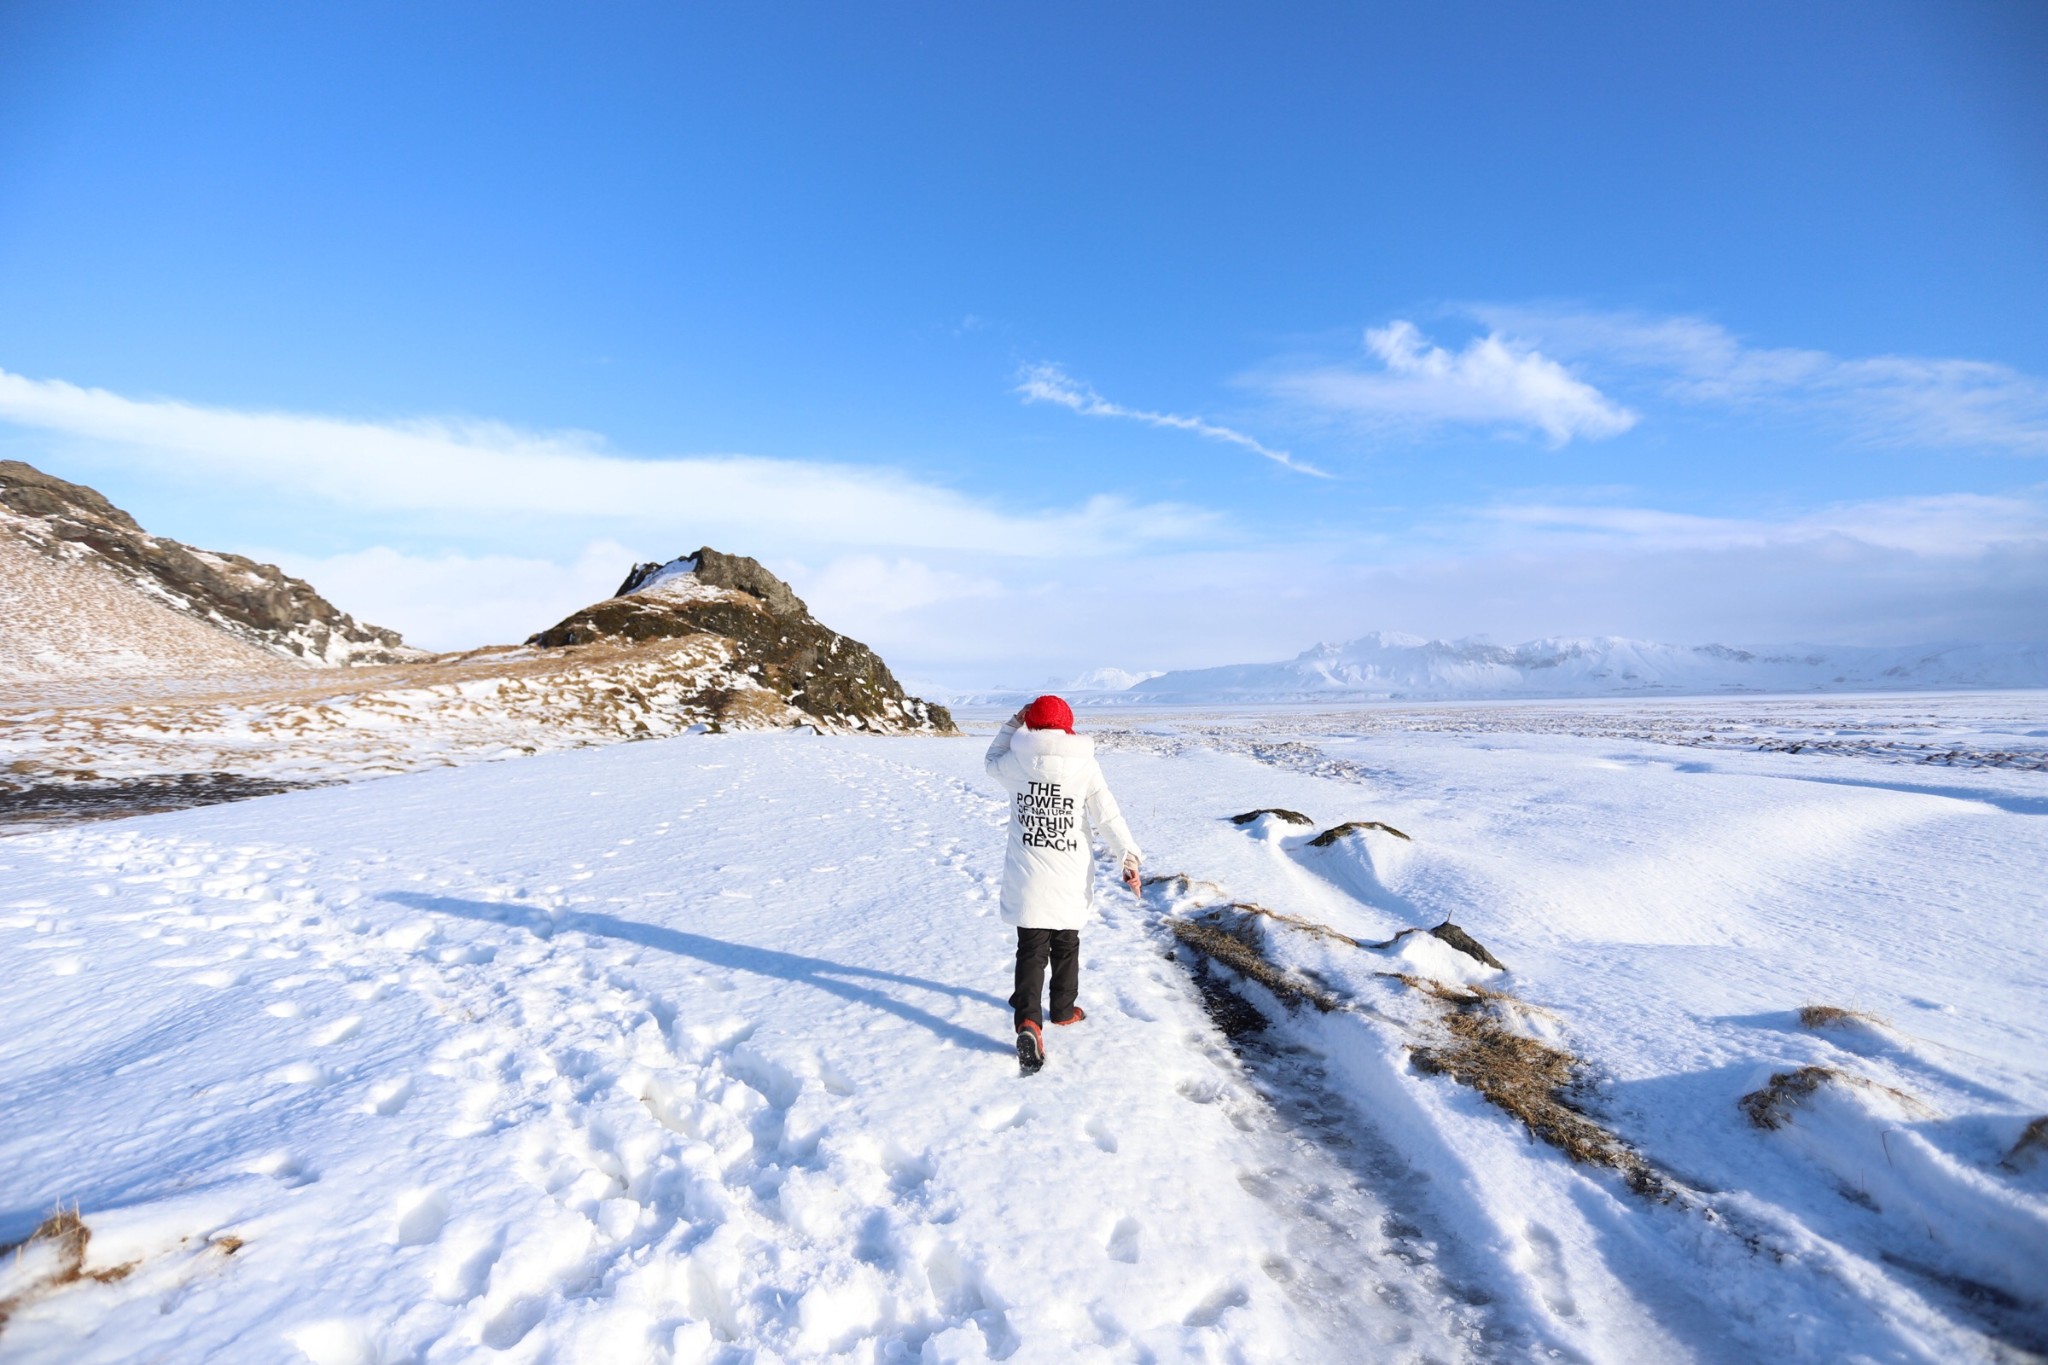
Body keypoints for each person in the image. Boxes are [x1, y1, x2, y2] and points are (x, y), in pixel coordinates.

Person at [983, 693, 1143, 1074]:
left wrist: (1010, 724)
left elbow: (990, 761)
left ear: (1030, 723)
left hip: (1028, 874)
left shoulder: (1014, 763)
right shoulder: (1084, 765)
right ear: (1068, 725)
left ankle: (1028, 1021)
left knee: (1031, 948)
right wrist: (1128, 857)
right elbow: (1107, 815)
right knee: (1066, 942)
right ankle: (1064, 1010)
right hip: (1070, 872)